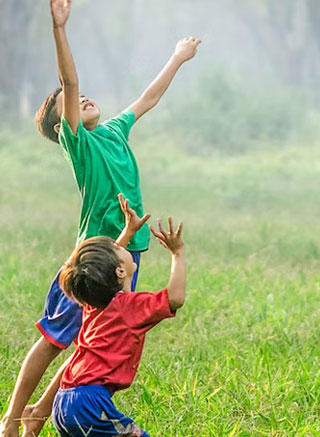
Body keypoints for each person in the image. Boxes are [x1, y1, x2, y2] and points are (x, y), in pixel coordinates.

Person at [0, 0, 200, 435]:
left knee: (93, 339)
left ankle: (40, 414)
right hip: (91, 257)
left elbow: (148, 98)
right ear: (63, 124)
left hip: (129, 251)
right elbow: (69, 80)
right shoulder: (80, 143)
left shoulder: (112, 131)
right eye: (67, 103)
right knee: (56, 339)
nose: (81, 97)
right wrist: (59, 29)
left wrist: (177, 57)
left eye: (81, 98)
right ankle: (11, 419)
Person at [51, 198, 185, 437]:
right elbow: (175, 298)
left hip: (63, 402)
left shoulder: (95, 303)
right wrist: (178, 253)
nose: (123, 246)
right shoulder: (129, 307)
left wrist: (128, 231)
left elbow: (103, 270)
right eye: (120, 248)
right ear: (120, 271)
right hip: (89, 404)